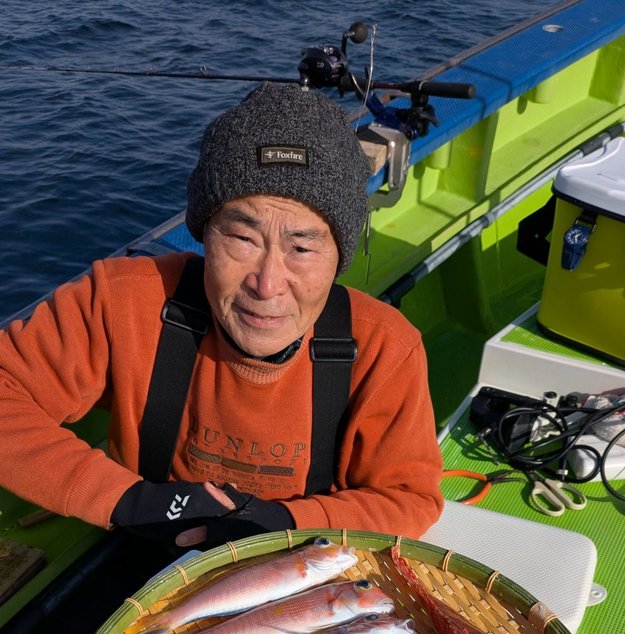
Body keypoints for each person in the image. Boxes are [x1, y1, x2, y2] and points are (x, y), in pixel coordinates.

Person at [0, 82, 443, 555]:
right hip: (144, 555)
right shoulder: (121, 302)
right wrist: (127, 500)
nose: (267, 284)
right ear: (204, 235)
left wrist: (288, 521)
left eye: (302, 248)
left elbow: (409, 499)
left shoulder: (385, 350)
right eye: (242, 238)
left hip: (298, 567)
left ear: (340, 257)